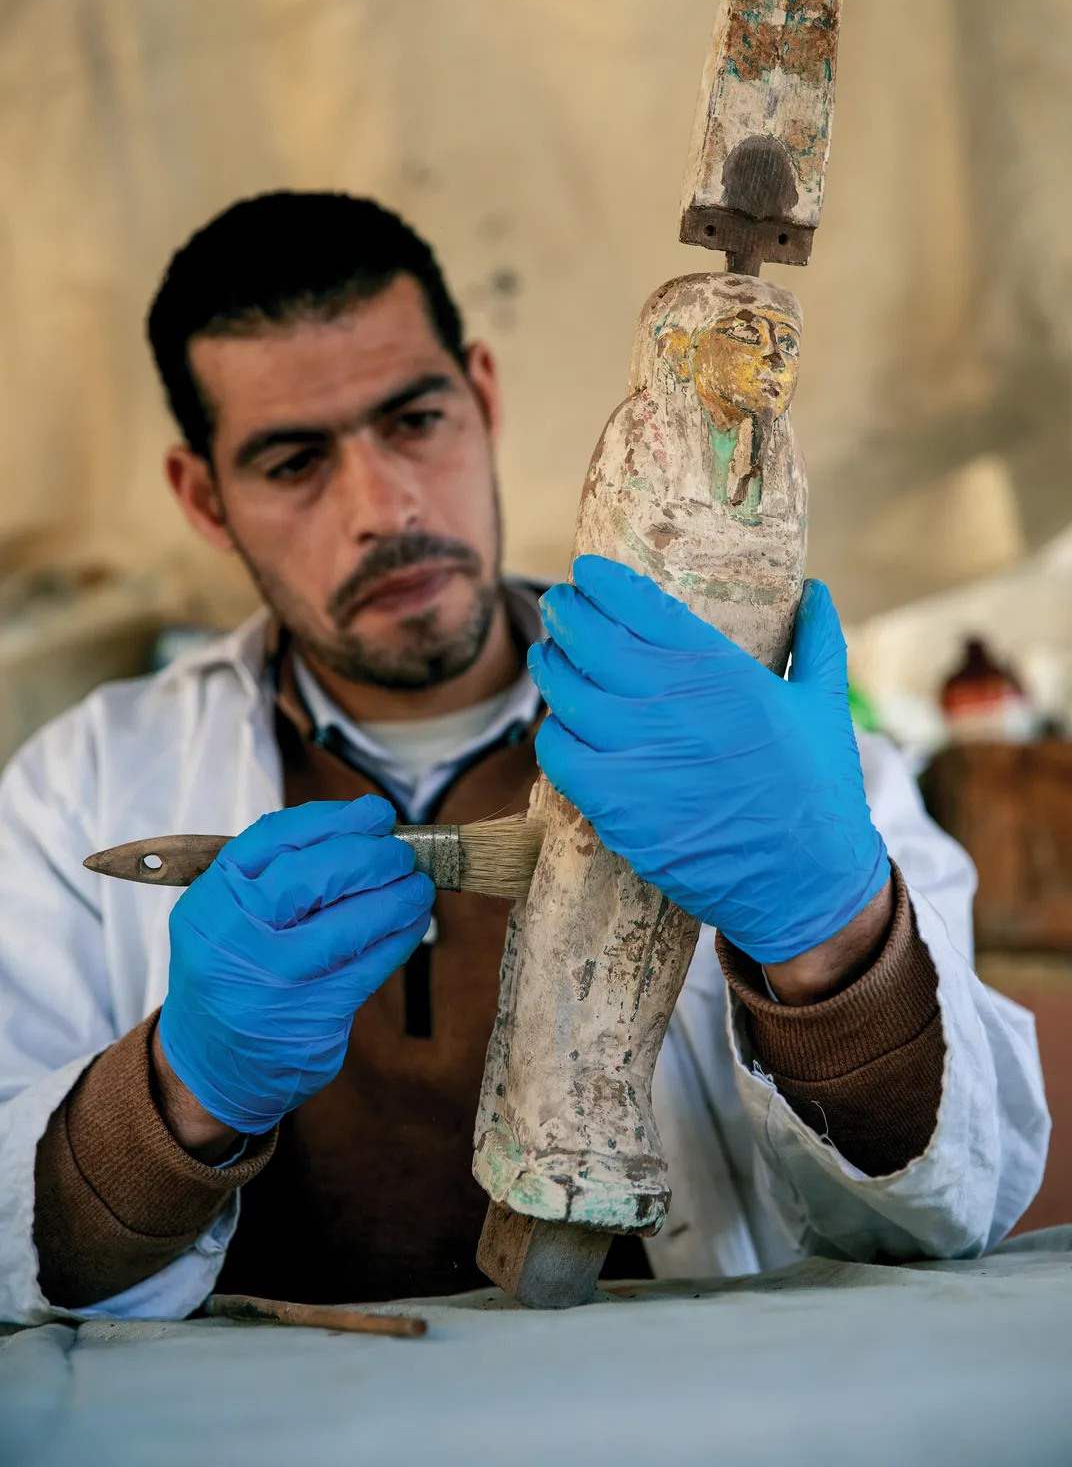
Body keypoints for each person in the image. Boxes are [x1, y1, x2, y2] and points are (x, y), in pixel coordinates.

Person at [0, 193, 1048, 1325]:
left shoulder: (750, 729)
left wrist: (830, 933)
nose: (383, 507)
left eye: (414, 421)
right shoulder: (81, 786)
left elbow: (961, 1207)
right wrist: (175, 1098)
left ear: (483, 397)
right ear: (204, 497)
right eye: (295, 461)